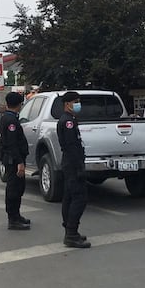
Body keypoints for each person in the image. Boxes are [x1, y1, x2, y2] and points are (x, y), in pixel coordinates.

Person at [56, 91, 91, 248]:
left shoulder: (70, 119)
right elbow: (71, 147)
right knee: (79, 198)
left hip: (70, 164)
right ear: (67, 104)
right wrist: (79, 168)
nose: (78, 104)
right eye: (75, 101)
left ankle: (71, 232)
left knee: (69, 197)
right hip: (72, 164)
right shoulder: (68, 122)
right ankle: (71, 233)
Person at [0, 92, 31, 230]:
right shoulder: (11, 121)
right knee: (14, 189)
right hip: (14, 160)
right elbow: (12, 144)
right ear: (19, 105)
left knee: (18, 188)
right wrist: (19, 162)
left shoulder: (8, 118)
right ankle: (13, 219)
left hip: (14, 159)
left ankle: (16, 215)